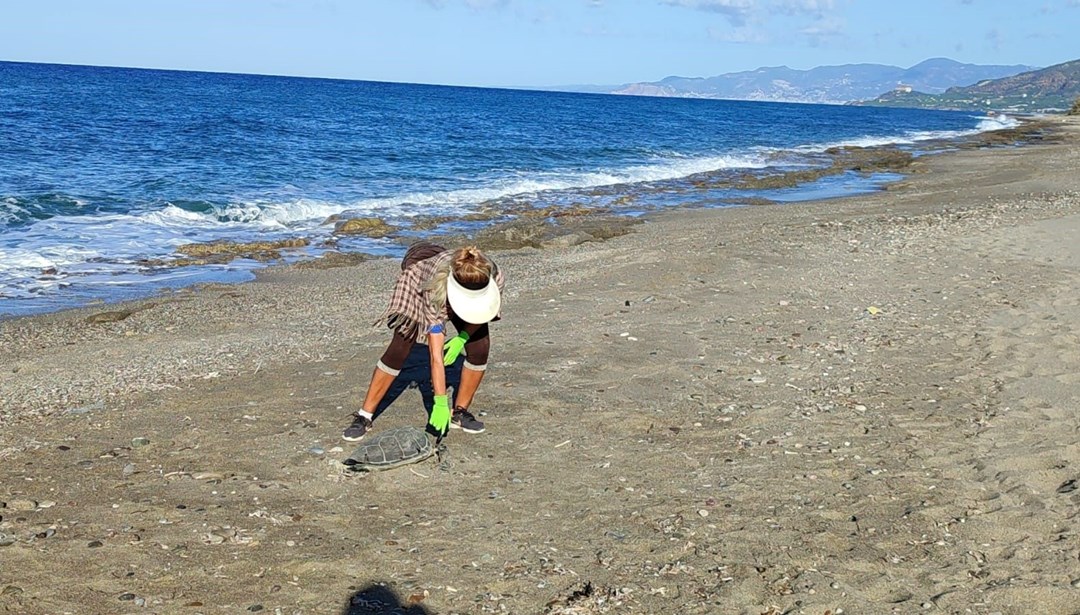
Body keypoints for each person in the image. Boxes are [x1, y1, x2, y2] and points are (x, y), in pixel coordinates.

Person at [341, 241, 504, 441]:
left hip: (449, 269)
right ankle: (364, 415)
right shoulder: (433, 286)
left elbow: (483, 313)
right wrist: (440, 401)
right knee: (400, 347)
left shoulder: (493, 276)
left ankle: (460, 412)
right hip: (420, 277)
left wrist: (462, 338)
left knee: (480, 346)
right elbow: (435, 356)